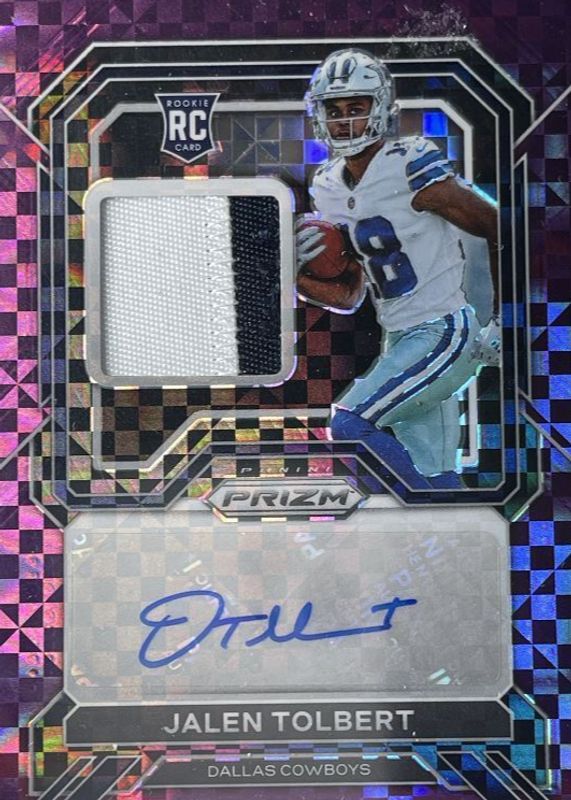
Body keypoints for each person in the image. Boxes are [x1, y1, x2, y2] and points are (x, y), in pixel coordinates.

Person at [296, 48, 501, 490]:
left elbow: (498, 226)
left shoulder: (408, 162)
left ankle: (419, 510)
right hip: (399, 337)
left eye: (356, 107)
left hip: (443, 330)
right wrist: (296, 277)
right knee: (436, 477)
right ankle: (450, 523)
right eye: (334, 110)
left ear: (380, 108)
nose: (345, 121)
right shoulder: (327, 185)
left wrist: (507, 317)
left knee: (349, 426)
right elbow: (350, 295)